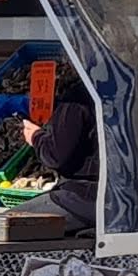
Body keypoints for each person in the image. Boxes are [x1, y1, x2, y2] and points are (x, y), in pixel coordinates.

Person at [17, 85, 99, 235]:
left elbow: (55, 156)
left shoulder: (78, 100)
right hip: (130, 203)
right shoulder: (134, 92)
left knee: (2, 227)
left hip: (83, 200)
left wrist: (36, 137)